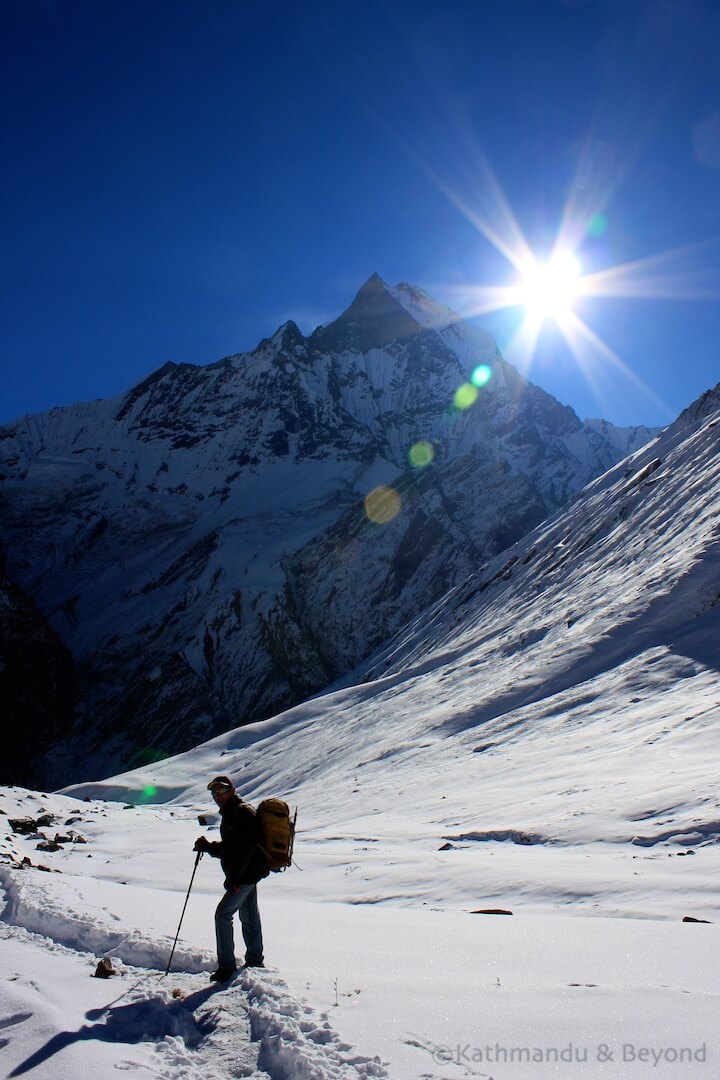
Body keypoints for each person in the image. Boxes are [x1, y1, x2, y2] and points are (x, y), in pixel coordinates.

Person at [194, 775, 269, 981]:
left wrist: (236, 878)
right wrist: (209, 846)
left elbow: (245, 849)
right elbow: (232, 848)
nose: (217, 795)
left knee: (223, 914)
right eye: (214, 792)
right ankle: (255, 960)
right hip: (249, 874)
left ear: (232, 790)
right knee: (249, 916)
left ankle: (226, 966)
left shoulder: (241, 812)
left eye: (221, 790)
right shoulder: (233, 812)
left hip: (245, 875)